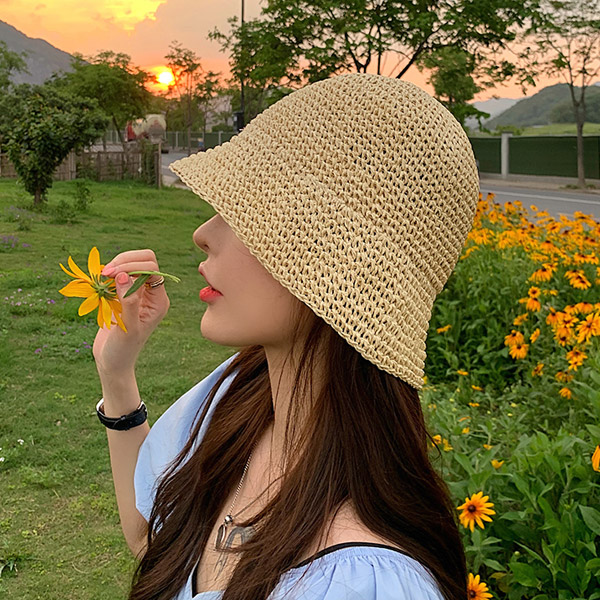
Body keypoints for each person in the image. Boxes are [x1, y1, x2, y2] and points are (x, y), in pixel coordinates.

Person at [93, 72, 480, 600]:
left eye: (247, 214)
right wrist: (117, 374)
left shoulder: (364, 584)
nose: (203, 233)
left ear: (336, 263)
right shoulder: (238, 396)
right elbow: (156, 544)